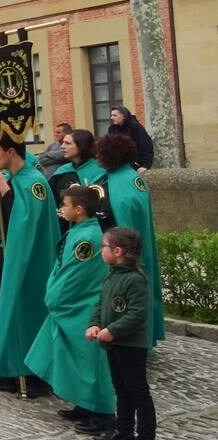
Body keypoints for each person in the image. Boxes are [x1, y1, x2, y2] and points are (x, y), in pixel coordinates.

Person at [0, 136, 59, 394]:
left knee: (19, 314)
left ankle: (24, 373)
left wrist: (5, 191)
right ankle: (2, 368)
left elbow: (26, 222)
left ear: (10, 152)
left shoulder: (34, 182)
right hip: (7, 256)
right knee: (0, 311)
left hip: (28, 262)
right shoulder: (17, 179)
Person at [25, 185, 114, 434]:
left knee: (87, 359)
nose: (61, 209)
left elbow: (74, 275)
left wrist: (54, 298)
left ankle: (102, 411)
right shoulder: (79, 230)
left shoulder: (86, 238)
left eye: (64, 205)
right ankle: (84, 403)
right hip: (74, 305)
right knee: (72, 356)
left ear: (79, 209)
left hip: (81, 307)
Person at [87, 226, 158, 440]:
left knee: (138, 392)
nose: (100, 251)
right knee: (121, 388)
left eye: (103, 247)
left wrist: (113, 331)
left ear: (117, 251)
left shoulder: (135, 280)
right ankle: (123, 429)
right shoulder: (111, 275)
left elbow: (137, 314)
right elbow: (101, 303)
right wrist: (95, 324)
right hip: (113, 342)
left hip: (131, 345)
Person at [94, 134, 165, 347]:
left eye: (100, 153)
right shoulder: (133, 178)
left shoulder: (120, 185)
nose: (97, 158)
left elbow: (123, 227)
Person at [49, 129, 103, 210]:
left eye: (67, 143)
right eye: (63, 142)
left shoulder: (100, 170)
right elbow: (51, 201)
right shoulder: (61, 172)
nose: (62, 146)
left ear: (82, 145)